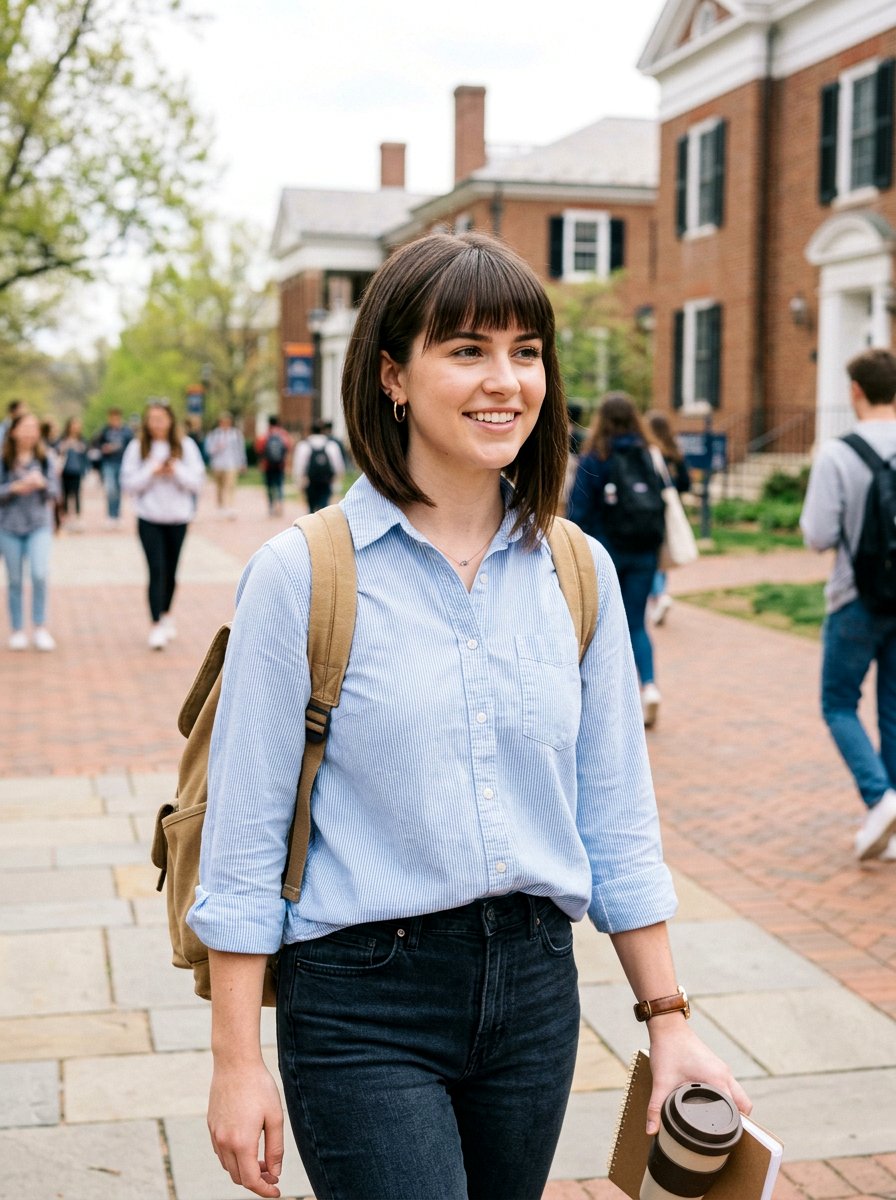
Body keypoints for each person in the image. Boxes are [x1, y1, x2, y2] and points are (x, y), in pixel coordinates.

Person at [187, 231, 749, 1200]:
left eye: (525, 351)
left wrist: (668, 1018)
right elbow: (241, 850)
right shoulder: (304, 574)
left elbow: (614, 820)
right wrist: (237, 1062)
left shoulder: (578, 572)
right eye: (467, 350)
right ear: (392, 376)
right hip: (363, 1000)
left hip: (534, 996)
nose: (506, 381)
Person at [801, 347, 896, 862]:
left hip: (855, 598)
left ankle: (880, 798)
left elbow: (818, 534)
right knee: (894, 710)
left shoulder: (839, 454)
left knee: (838, 702)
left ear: (855, 390)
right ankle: (892, 821)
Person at [568, 393, 666, 728]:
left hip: (605, 555)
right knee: (637, 623)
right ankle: (650, 686)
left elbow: (578, 512)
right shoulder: (649, 454)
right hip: (644, 552)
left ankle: (609, 705)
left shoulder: (595, 457)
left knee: (602, 629)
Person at [120, 400, 206, 650]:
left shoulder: (186, 446)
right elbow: (128, 484)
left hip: (178, 517)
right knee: (156, 569)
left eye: (161, 418)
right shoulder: (137, 448)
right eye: (152, 419)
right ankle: (155, 623)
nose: (157, 423)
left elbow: (197, 482)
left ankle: (167, 612)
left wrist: (175, 469)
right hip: (149, 518)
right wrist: (152, 471)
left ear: (170, 420)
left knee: (171, 570)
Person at [0, 412, 60, 651]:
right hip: (9, 527)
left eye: (34, 428)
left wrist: (41, 483)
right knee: (14, 579)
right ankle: (17, 629)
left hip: (39, 525)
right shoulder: (4, 459)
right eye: (25, 427)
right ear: (13, 431)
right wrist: (14, 487)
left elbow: (55, 493)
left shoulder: (46, 459)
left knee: (39, 573)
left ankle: (40, 627)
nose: (29, 432)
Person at [645, 410, 691, 626]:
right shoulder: (674, 452)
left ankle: (659, 595)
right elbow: (685, 483)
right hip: (670, 508)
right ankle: (660, 594)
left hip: (650, 509)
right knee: (665, 553)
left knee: (654, 554)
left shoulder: (649, 452)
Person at [292, 418, 345, 512]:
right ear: (323, 431)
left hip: (310, 482)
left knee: (311, 509)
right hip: (326, 481)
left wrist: (299, 482)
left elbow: (299, 466)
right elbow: (338, 466)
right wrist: (337, 482)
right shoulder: (331, 445)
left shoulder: (304, 445)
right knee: (324, 507)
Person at [96, 407, 133, 526]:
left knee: (118, 489)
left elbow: (131, 447)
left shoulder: (126, 431)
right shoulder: (105, 431)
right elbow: (96, 444)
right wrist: (105, 448)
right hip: (108, 463)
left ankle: (117, 515)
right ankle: (110, 515)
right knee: (110, 489)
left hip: (122, 463)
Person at [205, 412, 246, 518]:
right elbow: (208, 450)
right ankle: (220, 506)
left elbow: (240, 450)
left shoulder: (236, 434)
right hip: (218, 464)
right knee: (219, 486)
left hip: (231, 464)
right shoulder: (214, 434)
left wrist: (242, 463)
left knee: (230, 485)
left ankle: (230, 507)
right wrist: (217, 447)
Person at [56, 416, 90, 531]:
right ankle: (65, 518)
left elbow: (86, 454)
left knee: (76, 494)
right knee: (65, 495)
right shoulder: (63, 439)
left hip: (77, 471)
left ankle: (78, 518)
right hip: (65, 471)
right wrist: (65, 446)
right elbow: (57, 451)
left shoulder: (82, 440)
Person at [256, 416, 292, 517]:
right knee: (280, 485)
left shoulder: (265, 435)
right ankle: (280, 505)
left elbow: (259, 450)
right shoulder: (283, 434)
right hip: (280, 465)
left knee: (269, 487)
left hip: (268, 466)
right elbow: (288, 448)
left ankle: (271, 506)